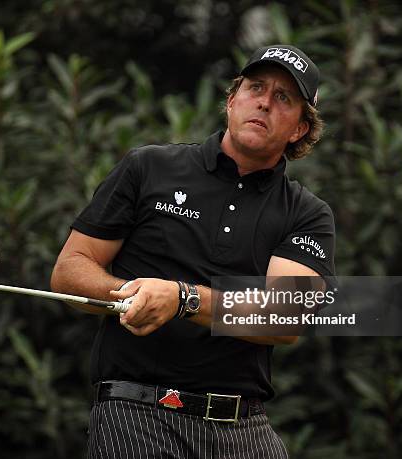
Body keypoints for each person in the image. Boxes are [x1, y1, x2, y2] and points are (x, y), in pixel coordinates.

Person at [51, 44, 335, 458]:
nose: (264, 103)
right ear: (231, 99)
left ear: (299, 130)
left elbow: (285, 317)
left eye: (284, 98)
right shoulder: (148, 168)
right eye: (255, 87)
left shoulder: (306, 213)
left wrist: (183, 299)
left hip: (244, 427)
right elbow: (70, 270)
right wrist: (131, 294)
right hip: (135, 413)